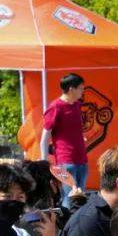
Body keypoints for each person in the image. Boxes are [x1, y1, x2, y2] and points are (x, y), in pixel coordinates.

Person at [41, 73, 89, 203]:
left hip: (82, 159)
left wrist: (81, 139)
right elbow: (45, 137)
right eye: (81, 88)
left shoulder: (77, 105)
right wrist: (44, 162)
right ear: (71, 89)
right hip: (66, 161)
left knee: (81, 199)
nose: (83, 91)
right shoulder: (55, 107)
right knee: (68, 200)